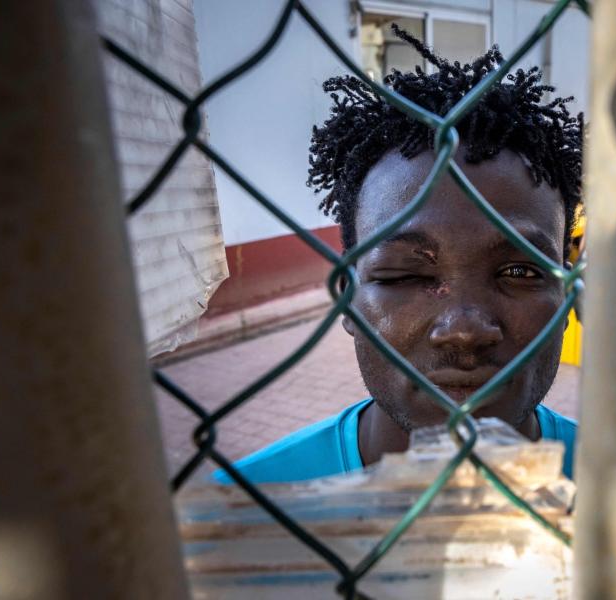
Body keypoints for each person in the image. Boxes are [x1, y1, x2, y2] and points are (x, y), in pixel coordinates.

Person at [217, 27, 584, 484]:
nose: (465, 330)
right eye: (404, 275)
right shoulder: (250, 502)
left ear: (567, 295)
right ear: (348, 295)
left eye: (519, 270)